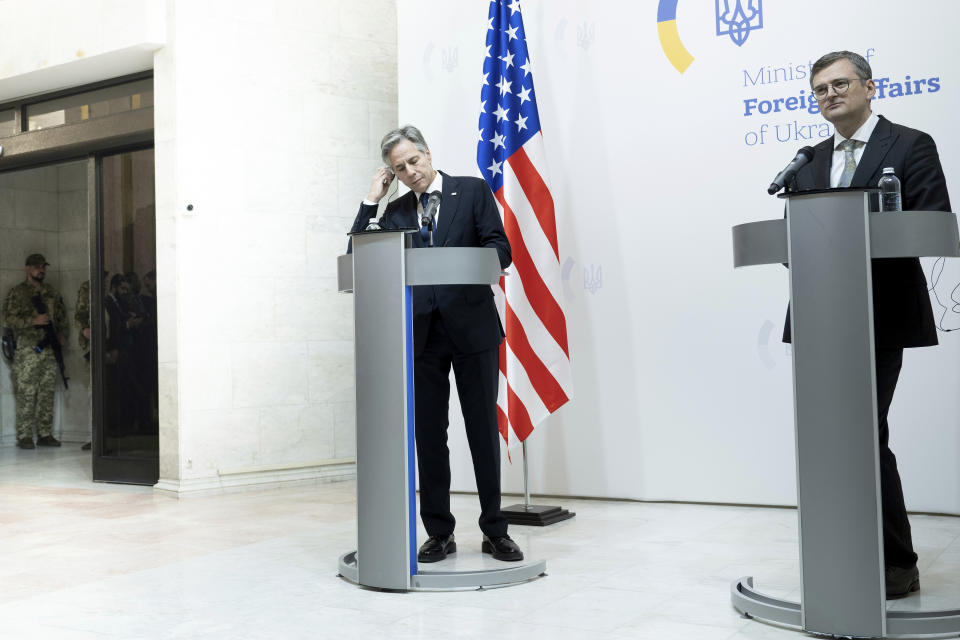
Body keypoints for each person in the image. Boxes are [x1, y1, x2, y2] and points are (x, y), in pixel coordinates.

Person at [783, 51, 951, 598]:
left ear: (869, 87)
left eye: (840, 84)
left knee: (863, 435)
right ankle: (844, 551)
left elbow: (932, 225)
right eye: (820, 89)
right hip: (821, 314)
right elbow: (798, 240)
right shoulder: (808, 160)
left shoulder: (909, 145)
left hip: (880, 313)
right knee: (833, 439)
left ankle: (896, 562)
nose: (830, 95)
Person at [349, 125, 522, 562]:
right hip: (422, 335)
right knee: (429, 437)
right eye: (399, 168)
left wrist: (460, 265)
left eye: (413, 161)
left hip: (473, 330)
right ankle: (439, 532)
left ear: (428, 154)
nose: (410, 172)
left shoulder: (473, 191)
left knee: (482, 431)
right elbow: (360, 256)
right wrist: (373, 199)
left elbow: (500, 249)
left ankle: (494, 529)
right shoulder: (396, 209)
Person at [3, 253, 68, 449]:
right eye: (37, 267)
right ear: (27, 268)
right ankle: (24, 435)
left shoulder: (52, 292)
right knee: (26, 392)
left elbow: (62, 316)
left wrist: (62, 334)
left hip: (48, 349)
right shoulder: (18, 292)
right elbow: (7, 319)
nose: (41, 270)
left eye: (43, 267)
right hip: (27, 350)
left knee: (47, 392)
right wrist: (33, 321)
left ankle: (45, 434)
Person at [76, 279, 92, 450]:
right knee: (92, 393)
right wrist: (84, 330)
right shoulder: (87, 289)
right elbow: (79, 315)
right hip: (92, 349)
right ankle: (92, 436)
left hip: (108, 349)